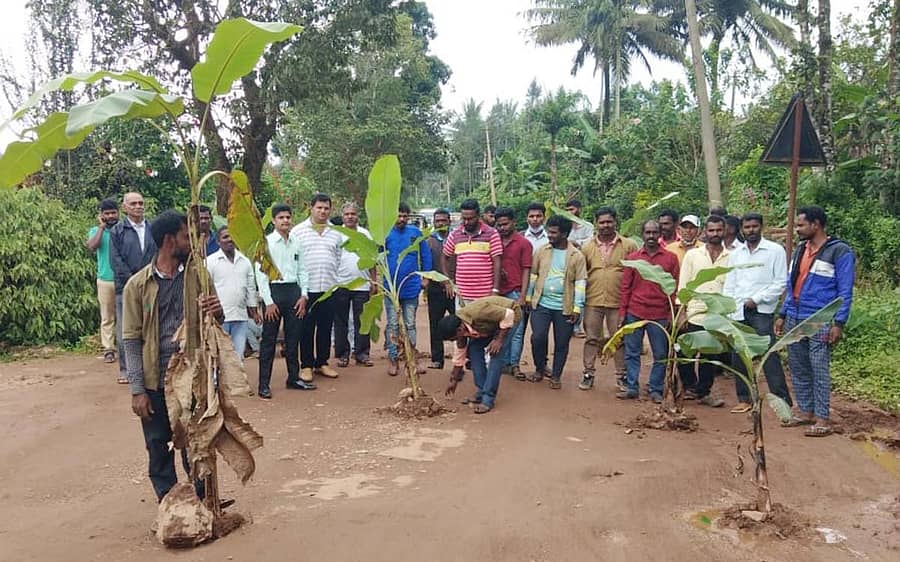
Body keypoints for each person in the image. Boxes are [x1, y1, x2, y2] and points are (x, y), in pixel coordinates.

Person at [122, 210, 223, 501]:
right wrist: (137, 390)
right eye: (184, 236)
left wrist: (217, 311)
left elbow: (217, 322)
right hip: (155, 380)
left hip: (193, 376)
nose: (191, 241)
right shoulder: (137, 286)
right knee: (158, 444)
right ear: (169, 241)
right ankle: (170, 502)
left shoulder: (199, 276)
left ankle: (205, 499)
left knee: (198, 441)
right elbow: (130, 340)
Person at [775, 206, 855, 437]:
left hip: (821, 319)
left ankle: (822, 418)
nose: (797, 229)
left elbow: (845, 290)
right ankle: (805, 410)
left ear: (816, 224)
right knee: (798, 365)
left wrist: (839, 323)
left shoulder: (840, 252)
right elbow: (792, 286)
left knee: (818, 367)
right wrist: (782, 314)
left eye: (800, 225)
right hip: (795, 317)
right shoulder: (801, 249)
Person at [722, 213, 791, 413]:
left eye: (754, 226)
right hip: (738, 310)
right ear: (742, 228)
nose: (751, 230)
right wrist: (730, 308)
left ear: (761, 227)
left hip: (761, 310)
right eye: (747, 227)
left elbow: (780, 282)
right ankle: (744, 398)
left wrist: (757, 299)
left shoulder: (774, 251)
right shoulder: (737, 253)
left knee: (769, 355)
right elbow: (730, 283)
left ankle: (782, 401)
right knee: (738, 356)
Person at [616, 221, 679, 402]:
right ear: (642, 234)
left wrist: (670, 314)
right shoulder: (633, 258)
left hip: (659, 314)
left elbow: (673, 289)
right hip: (635, 310)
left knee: (660, 354)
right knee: (632, 352)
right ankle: (632, 386)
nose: (651, 236)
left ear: (660, 234)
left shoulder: (670, 258)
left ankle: (655, 388)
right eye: (647, 232)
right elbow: (625, 287)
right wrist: (623, 313)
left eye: (654, 232)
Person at [255, 203, 314, 398]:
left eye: (288, 217)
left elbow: (303, 269)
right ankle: (264, 384)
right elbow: (261, 274)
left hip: (293, 292)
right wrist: (268, 301)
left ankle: (293, 378)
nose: (285, 221)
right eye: (281, 218)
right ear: (273, 221)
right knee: (269, 340)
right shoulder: (266, 243)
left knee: (293, 337)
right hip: (273, 292)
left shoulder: (296, 242)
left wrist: (304, 295)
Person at [578, 207, 638, 391]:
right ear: (596, 223)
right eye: (602, 222)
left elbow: (636, 272)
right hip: (593, 300)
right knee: (591, 338)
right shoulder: (588, 247)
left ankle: (621, 375)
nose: (605, 225)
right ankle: (588, 373)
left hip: (618, 301)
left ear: (615, 222)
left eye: (609, 221)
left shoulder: (628, 245)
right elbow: (582, 273)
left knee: (618, 339)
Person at [527, 215, 587, 389]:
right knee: (537, 337)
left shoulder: (577, 256)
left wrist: (577, 308)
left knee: (561, 342)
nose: (549, 235)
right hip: (542, 304)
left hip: (565, 306)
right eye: (548, 232)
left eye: (553, 233)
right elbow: (533, 275)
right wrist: (530, 298)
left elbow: (580, 282)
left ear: (565, 234)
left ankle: (556, 375)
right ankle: (540, 368)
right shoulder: (541, 251)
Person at [677, 215, 731, 407]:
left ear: (724, 231)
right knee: (685, 353)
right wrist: (681, 312)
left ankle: (704, 391)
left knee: (710, 356)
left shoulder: (732, 256)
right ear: (704, 232)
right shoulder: (693, 255)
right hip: (694, 312)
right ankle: (689, 387)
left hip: (718, 315)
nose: (715, 234)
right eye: (711, 230)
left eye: (718, 230)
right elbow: (684, 284)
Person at [291, 193, 344, 381]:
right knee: (306, 328)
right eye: (319, 207)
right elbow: (294, 260)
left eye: (326, 208)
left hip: (329, 288)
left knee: (325, 327)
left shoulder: (336, 233)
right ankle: (306, 365)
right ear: (311, 208)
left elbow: (338, 258)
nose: (323, 211)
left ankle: (322, 363)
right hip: (307, 290)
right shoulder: (298, 231)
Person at [440, 296, 521, 414]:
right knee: (474, 349)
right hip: (490, 324)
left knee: (495, 354)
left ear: (460, 330)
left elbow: (509, 314)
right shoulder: (460, 328)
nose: (455, 341)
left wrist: (499, 340)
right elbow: (460, 354)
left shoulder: (479, 312)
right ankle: (482, 390)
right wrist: (454, 380)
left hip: (510, 316)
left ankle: (488, 399)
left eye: (454, 339)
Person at [111, 192, 157, 385]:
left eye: (140, 203)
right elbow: (116, 260)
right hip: (125, 288)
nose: (138, 206)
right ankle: (126, 369)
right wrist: (133, 282)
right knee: (126, 329)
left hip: (152, 285)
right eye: (133, 203)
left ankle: (149, 367)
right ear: (125, 207)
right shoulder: (117, 231)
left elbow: (158, 253)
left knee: (151, 326)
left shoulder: (153, 228)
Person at [384, 203, 432, 376]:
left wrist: (425, 277)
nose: (402, 219)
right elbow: (377, 257)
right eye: (398, 215)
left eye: (405, 216)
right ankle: (393, 357)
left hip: (411, 286)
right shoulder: (384, 233)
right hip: (391, 288)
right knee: (393, 324)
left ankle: (411, 358)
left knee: (410, 324)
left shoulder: (415, 233)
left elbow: (425, 255)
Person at [206, 225, 259, 361]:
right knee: (219, 357)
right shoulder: (210, 262)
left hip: (240, 316)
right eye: (225, 237)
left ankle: (237, 383)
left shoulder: (245, 261)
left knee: (237, 357)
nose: (229, 239)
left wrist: (253, 309)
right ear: (218, 242)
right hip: (219, 319)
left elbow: (250, 287)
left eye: (232, 236)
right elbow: (205, 289)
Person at [334, 202, 377, 368]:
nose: (350, 217)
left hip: (363, 285)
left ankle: (362, 353)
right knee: (341, 321)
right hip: (341, 284)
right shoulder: (337, 234)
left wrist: (374, 281)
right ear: (342, 216)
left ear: (357, 216)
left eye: (353, 214)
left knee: (363, 321)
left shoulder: (365, 234)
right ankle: (343, 354)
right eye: (347, 214)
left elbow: (373, 258)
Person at [494, 207, 532, 380]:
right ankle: (501, 363)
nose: (502, 228)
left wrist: (523, 295)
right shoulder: (494, 242)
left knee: (516, 331)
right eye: (499, 225)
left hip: (515, 291)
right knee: (499, 329)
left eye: (505, 224)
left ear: (514, 222)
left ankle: (514, 364)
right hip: (497, 292)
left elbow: (526, 270)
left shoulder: (524, 243)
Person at [442, 198, 502, 305]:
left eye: (470, 219)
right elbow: (444, 257)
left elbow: (497, 262)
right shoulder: (455, 234)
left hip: (485, 295)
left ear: (478, 216)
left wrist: (495, 290)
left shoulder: (492, 234)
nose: (466, 222)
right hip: (462, 296)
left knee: (484, 322)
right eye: (464, 218)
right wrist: (447, 280)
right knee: (463, 322)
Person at [86, 198, 120, 366]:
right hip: (105, 280)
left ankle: (126, 348)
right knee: (107, 317)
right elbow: (92, 246)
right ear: (101, 215)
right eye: (106, 213)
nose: (110, 216)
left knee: (126, 316)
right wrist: (101, 227)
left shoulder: (123, 230)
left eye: (113, 212)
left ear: (118, 213)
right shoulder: (95, 230)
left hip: (124, 280)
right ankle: (108, 349)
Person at [426, 208, 456, 370]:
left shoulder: (457, 238)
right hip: (435, 289)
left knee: (460, 324)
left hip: (456, 289)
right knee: (435, 324)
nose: (441, 223)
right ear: (434, 222)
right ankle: (437, 359)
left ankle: (462, 358)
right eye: (438, 221)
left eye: (444, 220)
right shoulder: (428, 241)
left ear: (449, 221)